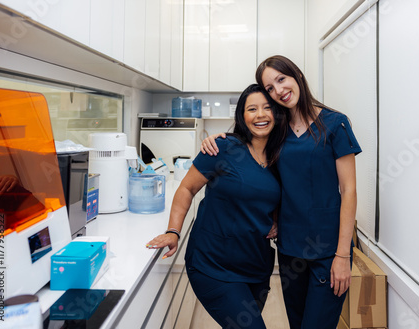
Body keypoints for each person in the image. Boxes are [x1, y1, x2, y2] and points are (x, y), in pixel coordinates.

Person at [200, 55, 362, 329]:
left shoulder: (335, 124)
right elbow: (264, 168)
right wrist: (216, 138)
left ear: (296, 75)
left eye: (281, 79)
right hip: (290, 250)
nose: (279, 90)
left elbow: (349, 190)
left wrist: (342, 255)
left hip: (328, 250)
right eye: (270, 88)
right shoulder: (277, 129)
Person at [146, 84, 289, 329]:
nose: (261, 115)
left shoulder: (281, 156)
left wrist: (276, 219)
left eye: (268, 108)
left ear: (277, 113)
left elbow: (274, 196)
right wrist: (173, 231)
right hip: (213, 264)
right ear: (242, 116)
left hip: (257, 265)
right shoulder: (222, 148)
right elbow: (186, 189)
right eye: (252, 109)